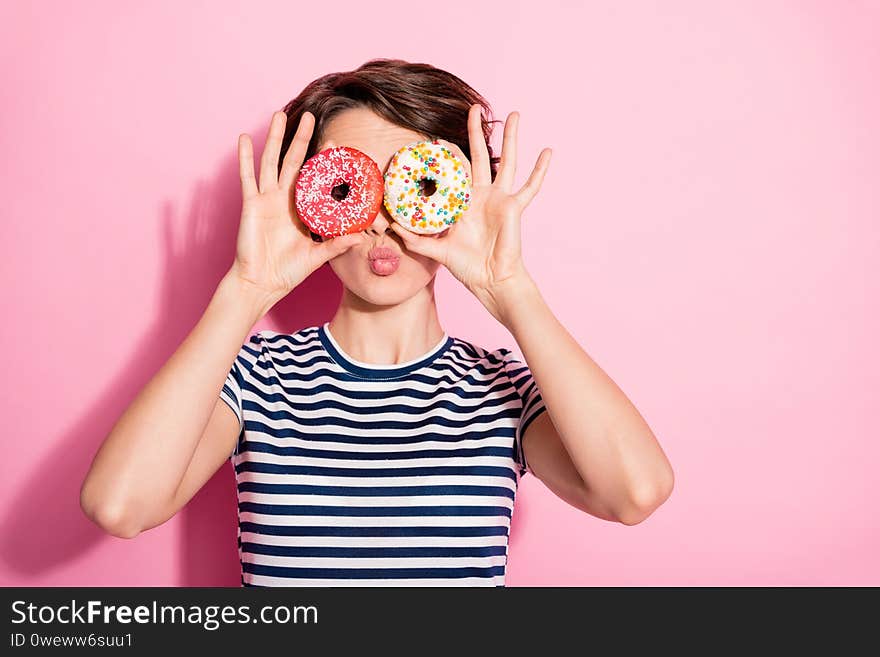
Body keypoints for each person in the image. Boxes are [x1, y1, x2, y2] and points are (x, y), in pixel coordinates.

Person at [80, 58, 674, 586]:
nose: (383, 224)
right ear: (307, 203)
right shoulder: (254, 378)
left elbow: (635, 493)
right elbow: (120, 506)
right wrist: (245, 290)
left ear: (461, 199)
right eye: (351, 186)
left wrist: (510, 290)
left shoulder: (506, 390)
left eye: (412, 184)